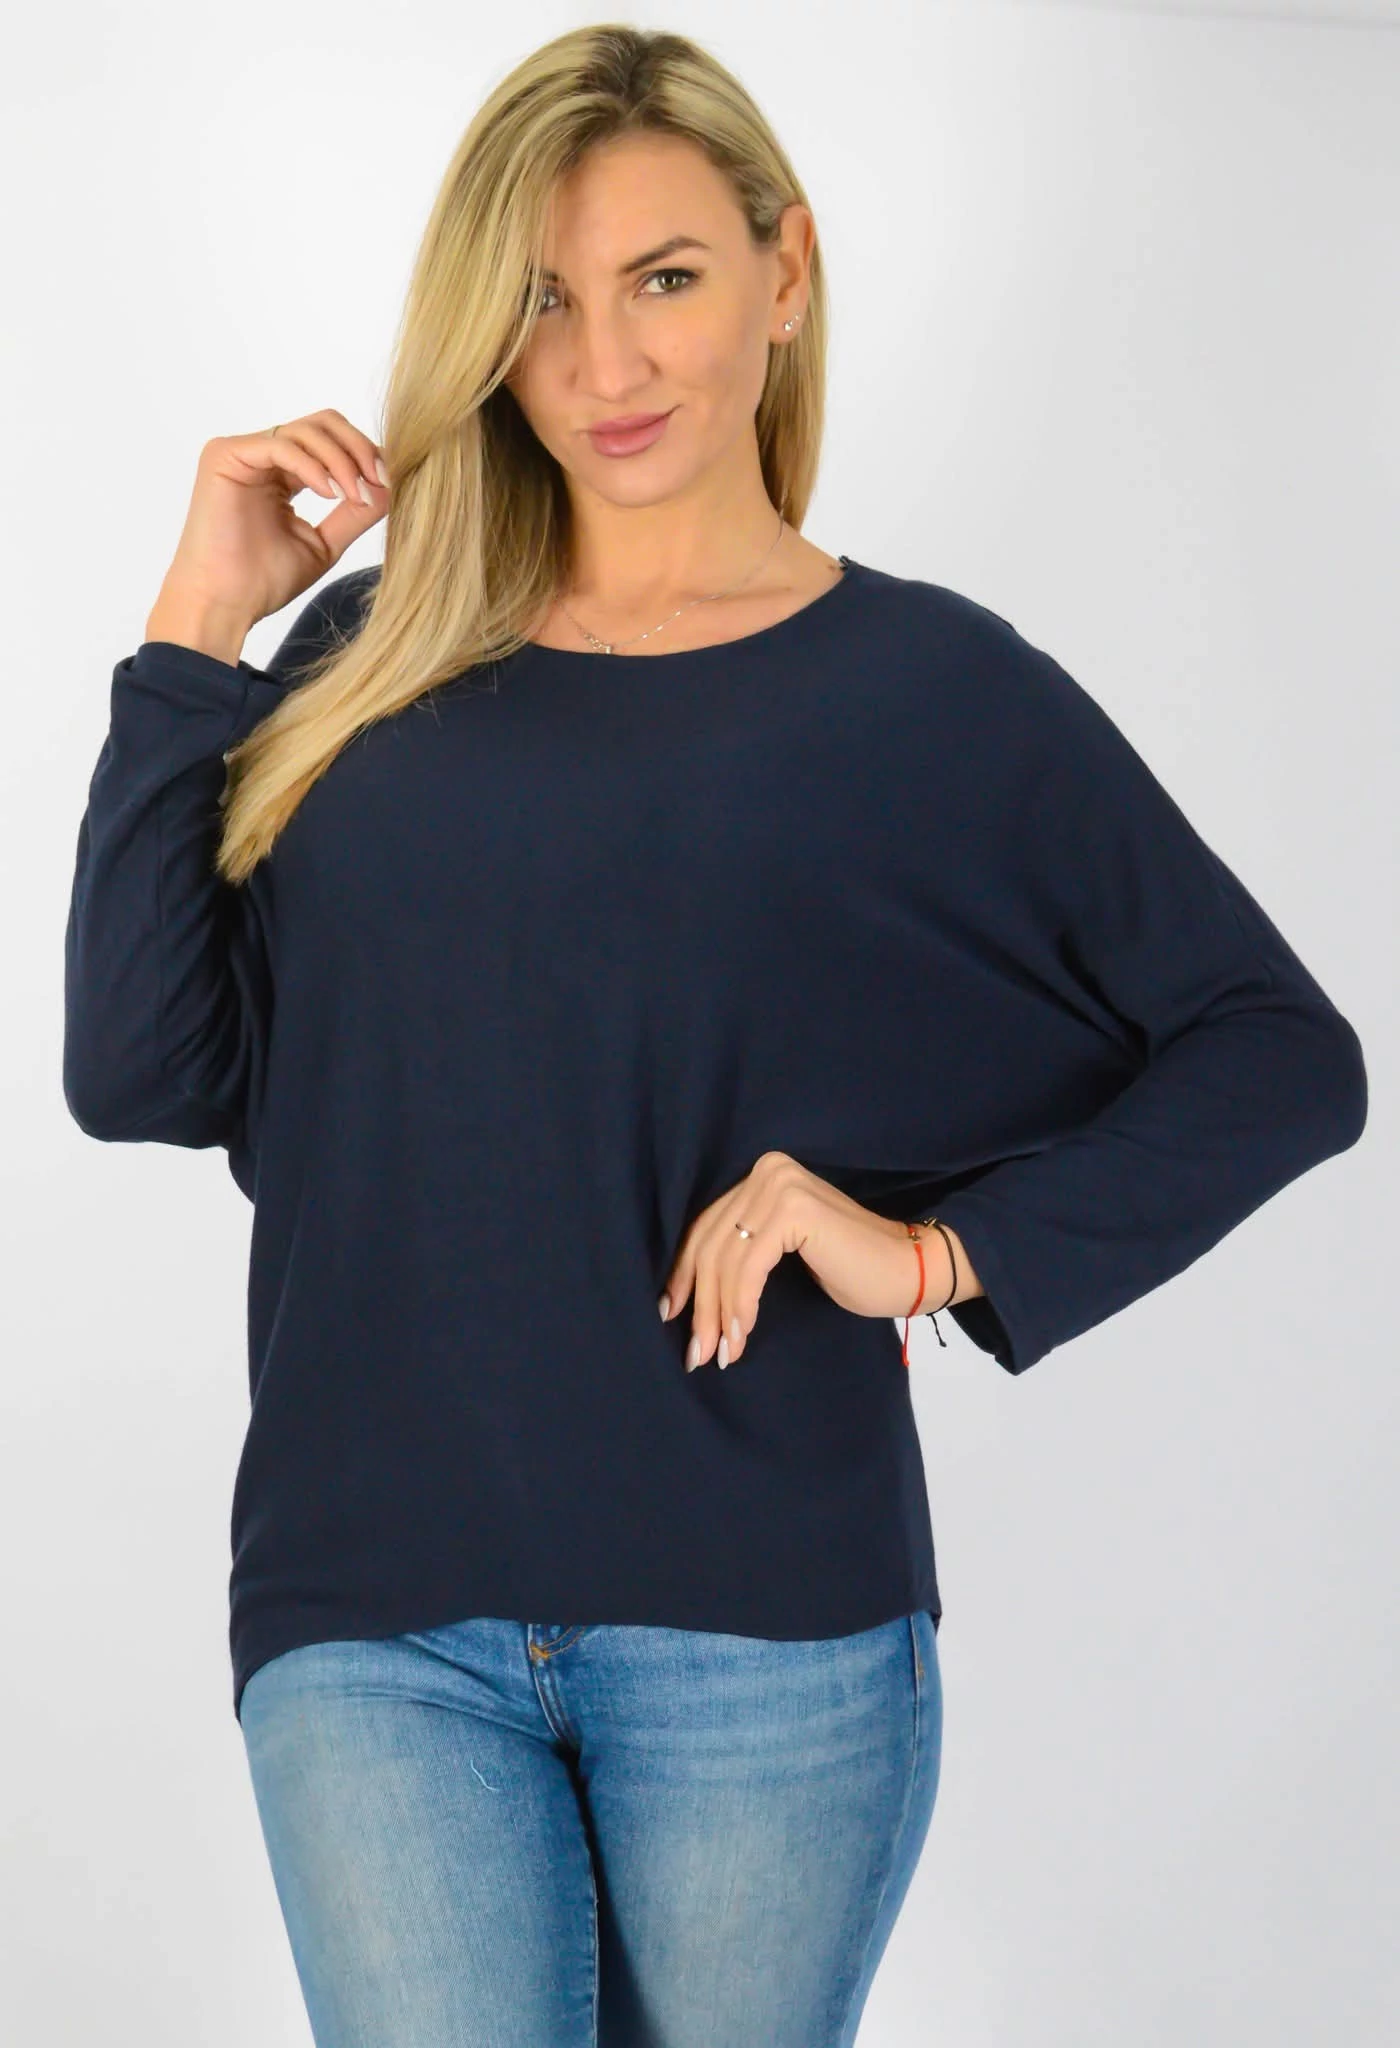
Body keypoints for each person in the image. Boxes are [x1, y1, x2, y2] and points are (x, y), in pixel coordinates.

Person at [61, 23, 1367, 2048]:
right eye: (541, 299)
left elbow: (1278, 1051)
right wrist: (191, 634)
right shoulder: (365, 662)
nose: (605, 362)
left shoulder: (937, 691)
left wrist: (934, 1255)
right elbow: (141, 1067)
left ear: (785, 269)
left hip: (766, 1628)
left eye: (663, 277)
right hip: (371, 1607)